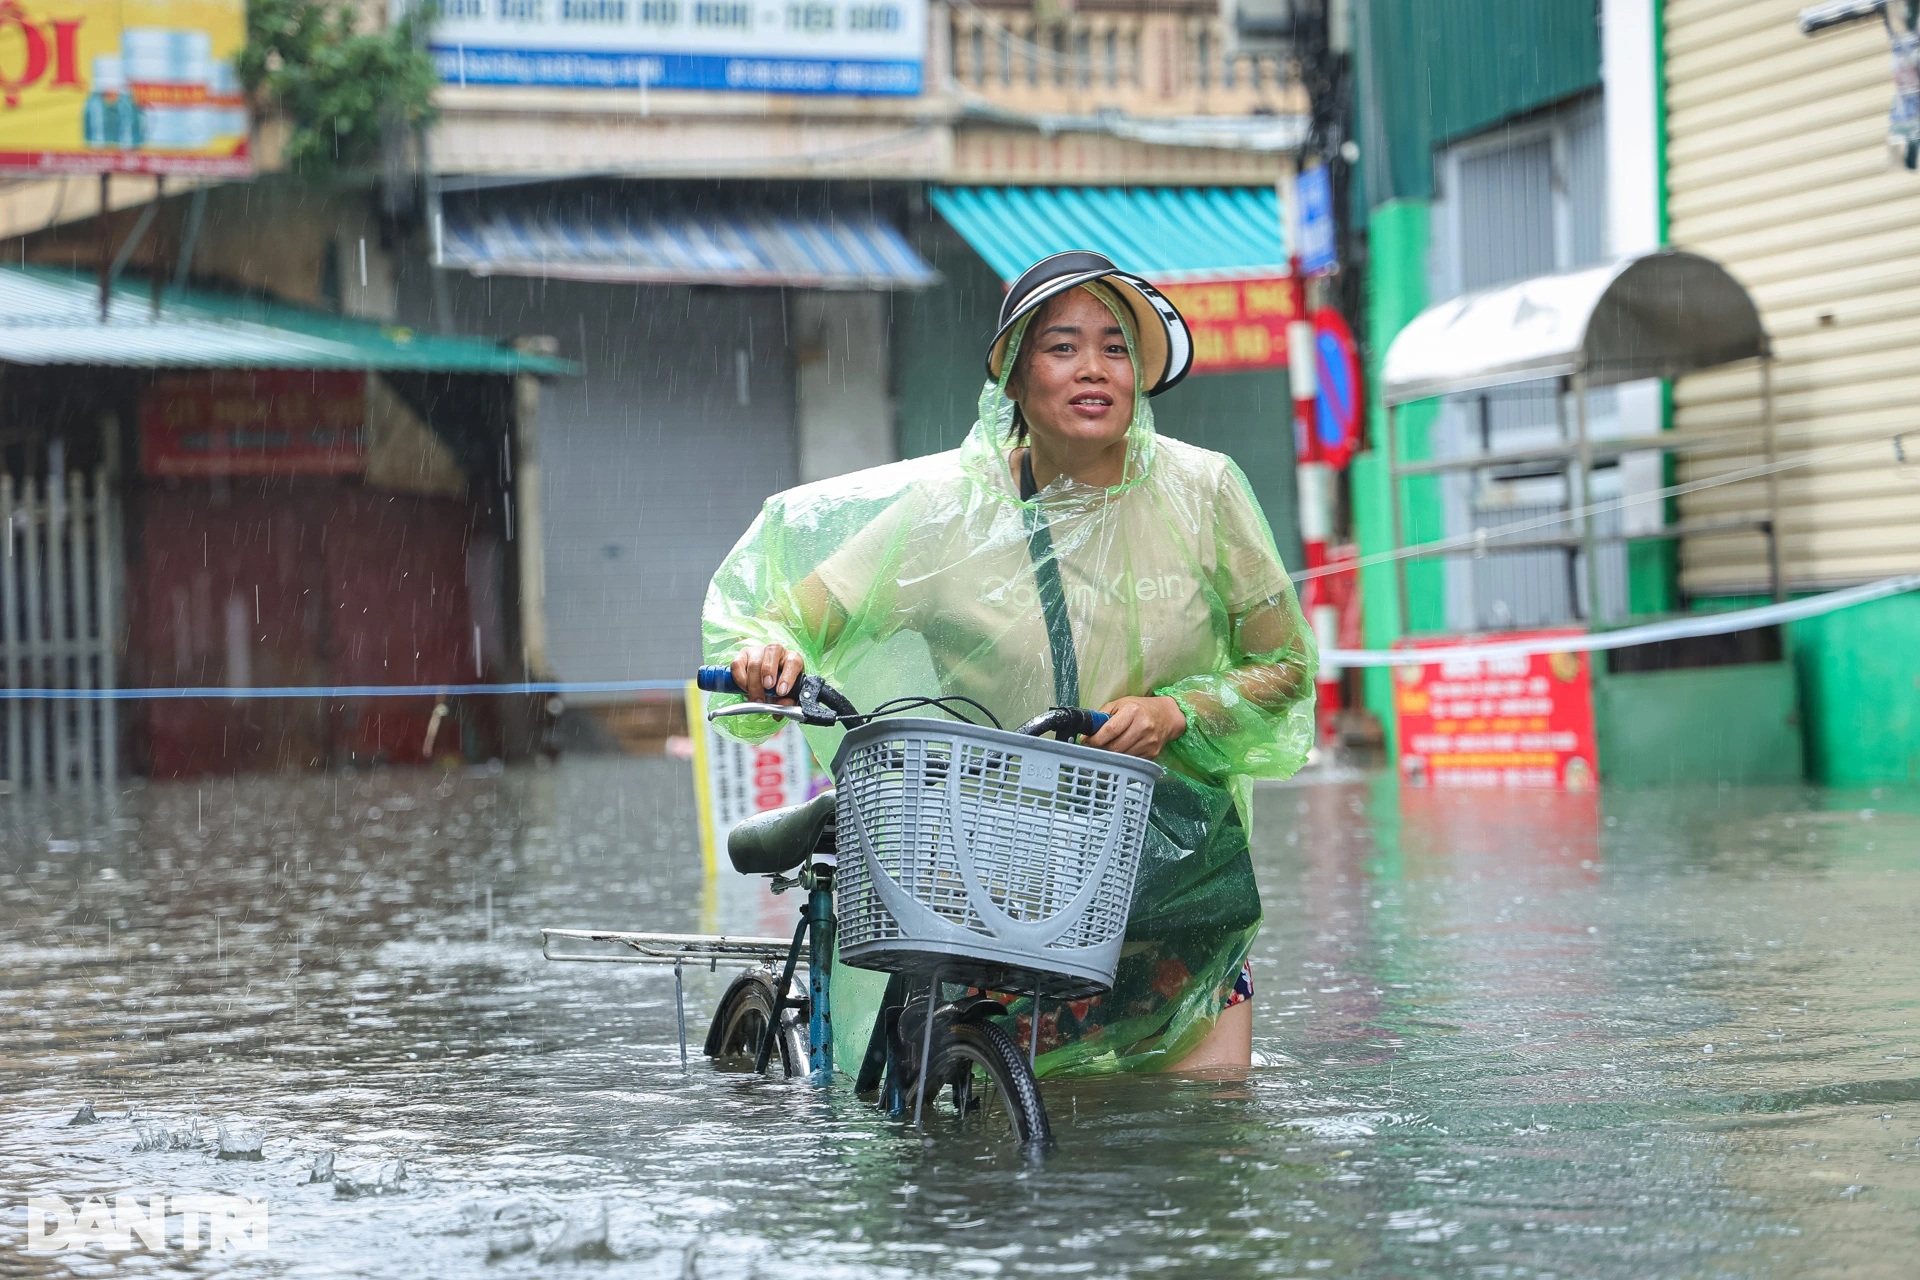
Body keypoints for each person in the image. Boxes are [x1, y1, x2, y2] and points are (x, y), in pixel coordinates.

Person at [704, 250, 1317, 1074]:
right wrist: (764, 655)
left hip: (1176, 883)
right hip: (1000, 883)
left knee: (1202, 1154)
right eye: (1062, 347)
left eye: (1114, 347)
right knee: (1013, 1177)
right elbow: (785, 618)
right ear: (1016, 379)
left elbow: (1282, 666)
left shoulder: (1203, 492)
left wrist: (1179, 712)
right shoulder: (942, 516)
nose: (1093, 369)